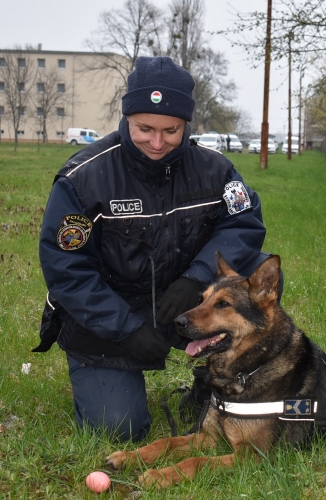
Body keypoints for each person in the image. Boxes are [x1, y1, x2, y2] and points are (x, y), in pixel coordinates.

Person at [34, 56, 276, 442]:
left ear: (186, 125)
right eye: (144, 128)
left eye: (171, 130)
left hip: (187, 303)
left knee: (261, 273)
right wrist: (125, 328)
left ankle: (210, 379)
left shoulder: (217, 170)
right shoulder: (83, 180)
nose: (157, 142)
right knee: (120, 429)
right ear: (126, 117)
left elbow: (244, 224)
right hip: (109, 318)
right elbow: (66, 268)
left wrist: (195, 278)